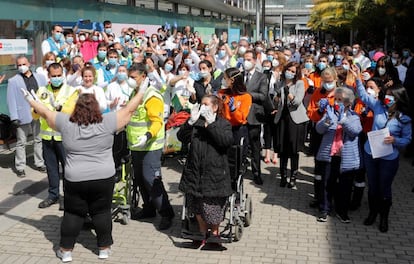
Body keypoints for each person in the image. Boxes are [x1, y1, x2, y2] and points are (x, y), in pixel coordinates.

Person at [21, 70, 146, 261]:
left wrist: (31, 101)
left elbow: (45, 112)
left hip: (75, 178)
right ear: (96, 108)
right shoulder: (107, 121)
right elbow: (129, 109)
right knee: (102, 212)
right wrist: (141, 92)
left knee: (73, 213)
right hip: (103, 177)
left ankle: (66, 251)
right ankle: (104, 249)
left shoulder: (65, 123)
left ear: (76, 109)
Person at [351, 64, 412, 232]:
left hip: (389, 157)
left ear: (399, 98)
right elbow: (363, 95)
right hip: (370, 152)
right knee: (373, 186)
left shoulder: (404, 117)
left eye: (393, 96)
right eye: (388, 95)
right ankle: (372, 213)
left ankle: (384, 217)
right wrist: (357, 77)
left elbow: (408, 139)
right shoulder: (378, 106)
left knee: (384, 187)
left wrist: (395, 140)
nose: (389, 98)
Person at [177, 94, 234, 247]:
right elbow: (181, 137)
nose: (203, 107)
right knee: (196, 204)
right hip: (195, 171)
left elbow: (225, 141)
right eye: (202, 104)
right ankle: (202, 232)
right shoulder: (197, 123)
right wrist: (190, 122)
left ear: (215, 107)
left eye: (206, 104)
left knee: (212, 206)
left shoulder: (223, 124)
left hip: (214, 173)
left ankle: (214, 234)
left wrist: (211, 124)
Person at [127, 63, 175, 230]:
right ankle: (148, 209)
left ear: (143, 77)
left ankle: (166, 213)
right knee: (139, 179)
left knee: (151, 180)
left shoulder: (151, 96)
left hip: (150, 146)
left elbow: (156, 121)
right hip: (136, 145)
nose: (130, 80)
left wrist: (147, 135)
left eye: (133, 77)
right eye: (129, 77)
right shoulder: (135, 93)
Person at [315, 87, 362, 223]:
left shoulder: (354, 116)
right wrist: (326, 121)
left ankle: (342, 212)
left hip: (346, 158)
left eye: (340, 100)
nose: (337, 102)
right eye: (336, 99)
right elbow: (319, 129)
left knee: (345, 186)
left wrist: (343, 120)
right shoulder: (330, 113)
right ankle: (324, 209)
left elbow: (355, 131)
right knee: (327, 183)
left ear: (348, 102)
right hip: (331, 155)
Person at [36, 63, 78, 209]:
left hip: (64, 137)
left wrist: (59, 107)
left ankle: (68, 198)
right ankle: (53, 195)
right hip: (47, 137)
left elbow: (71, 111)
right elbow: (34, 114)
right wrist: (35, 107)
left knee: (68, 169)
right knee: (51, 168)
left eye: (59, 75)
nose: (56, 78)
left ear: (63, 74)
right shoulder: (42, 91)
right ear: (48, 76)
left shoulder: (71, 91)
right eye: (53, 76)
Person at [7, 55, 47, 177]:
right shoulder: (13, 81)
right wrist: (14, 117)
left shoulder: (40, 77)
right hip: (22, 114)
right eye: (19, 65)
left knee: (38, 139)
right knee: (21, 142)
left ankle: (39, 163)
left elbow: (45, 94)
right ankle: (20, 166)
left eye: (23, 64)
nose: (21, 67)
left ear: (29, 64)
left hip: (38, 112)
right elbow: (11, 99)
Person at [273, 62, 309, 188]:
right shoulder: (280, 83)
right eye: (289, 70)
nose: (290, 73)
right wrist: (276, 98)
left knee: (293, 149)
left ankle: (293, 176)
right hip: (282, 118)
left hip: (295, 119)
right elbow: (276, 100)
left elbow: (297, 102)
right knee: (282, 149)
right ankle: (283, 176)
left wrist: (289, 93)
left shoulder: (299, 84)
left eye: (293, 71)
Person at [243, 50, 269, 185]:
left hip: (254, 116)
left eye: (248, 59)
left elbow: (263, 96)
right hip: (240, 116)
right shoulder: (240, 75)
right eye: (244, 59)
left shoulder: (261, 77)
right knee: (241, 144)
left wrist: (247, 95)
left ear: (254, 61)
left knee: (255, 146)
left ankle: (256, 172)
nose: (246, 62)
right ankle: (239, 170)